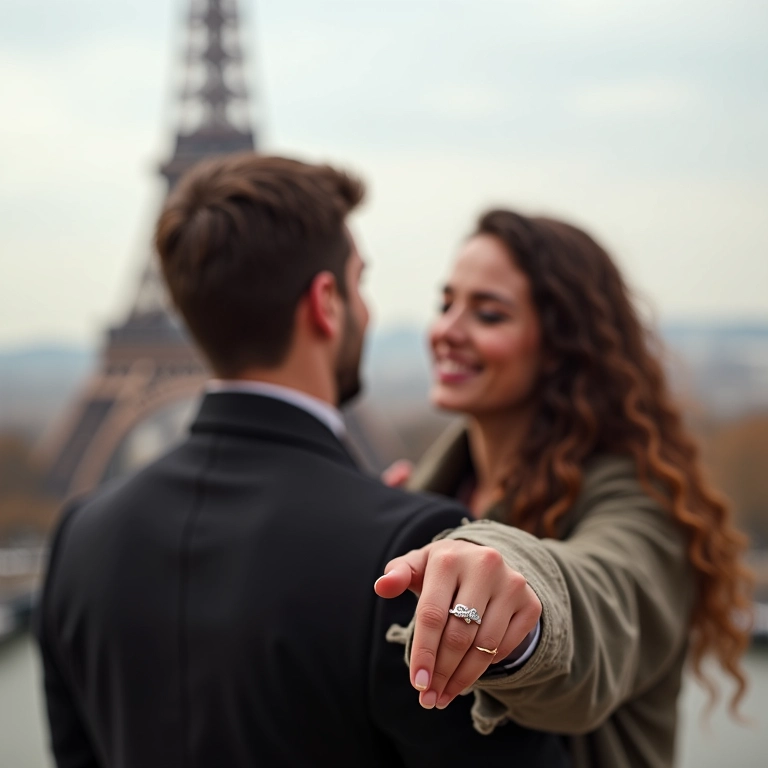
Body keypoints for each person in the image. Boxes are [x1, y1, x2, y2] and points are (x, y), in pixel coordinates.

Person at [35, 156, 571, 767]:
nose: (367, 310)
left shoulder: (81, 536)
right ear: (325, 302)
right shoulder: (408, 554)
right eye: (358, 281)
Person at [375, 209, 753, 768]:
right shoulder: (426, 495)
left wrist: (508, 595)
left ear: (560, 345)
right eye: (446, 303)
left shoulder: (648, 505)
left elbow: (604, 603)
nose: (447, 331)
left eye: (487, 313)